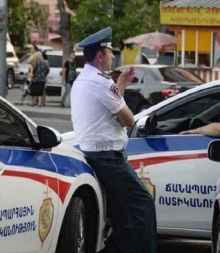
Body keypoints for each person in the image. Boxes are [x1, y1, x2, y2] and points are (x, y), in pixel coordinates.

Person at [71, 27, 158, 253]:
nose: (112, 56)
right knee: (143, 205)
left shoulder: (84, 80)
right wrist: (118, 88)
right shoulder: (100, 82)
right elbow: (128, 119)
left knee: (119, 213)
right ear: (100, 55)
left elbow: (106, 109)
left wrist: (120, 85)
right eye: (110, 52)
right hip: (108, 157)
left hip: (95, 153)